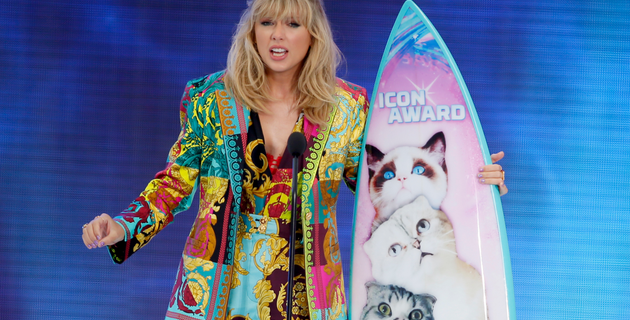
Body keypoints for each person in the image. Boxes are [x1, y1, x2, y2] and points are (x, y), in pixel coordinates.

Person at [81, 0, 508, 319]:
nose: (277, 35)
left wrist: (472, 178)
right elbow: (175, 183)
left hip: (311, 293)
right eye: (266, 22)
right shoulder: (209, 98)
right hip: (216, 287)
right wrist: (122, 226)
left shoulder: (349, 106)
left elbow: (384, 193)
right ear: (251, 32)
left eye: (291, 23)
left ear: (313, 34)